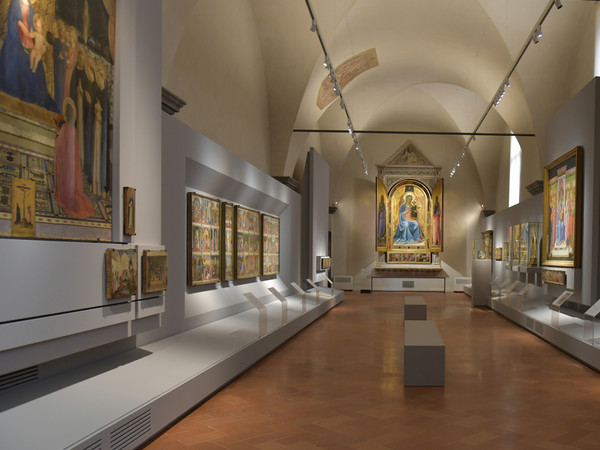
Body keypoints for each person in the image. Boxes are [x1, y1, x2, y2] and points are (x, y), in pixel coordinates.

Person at [0, 0, 58, 111]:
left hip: (29, 40)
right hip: (16, 36)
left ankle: (37, 95)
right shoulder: (15, 3)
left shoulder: (31, 7)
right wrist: (19, 38)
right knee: (14, 54)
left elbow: (34, 24)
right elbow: (12, 22)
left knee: (37, 65)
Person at [53, 97, 96, 219]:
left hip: (66, 166)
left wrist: (57, 138)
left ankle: (67, 195)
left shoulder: (65, 128)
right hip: (72, 167)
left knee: (67, 187)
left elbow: (60, 146)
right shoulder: (74, 129)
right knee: (75, 188)